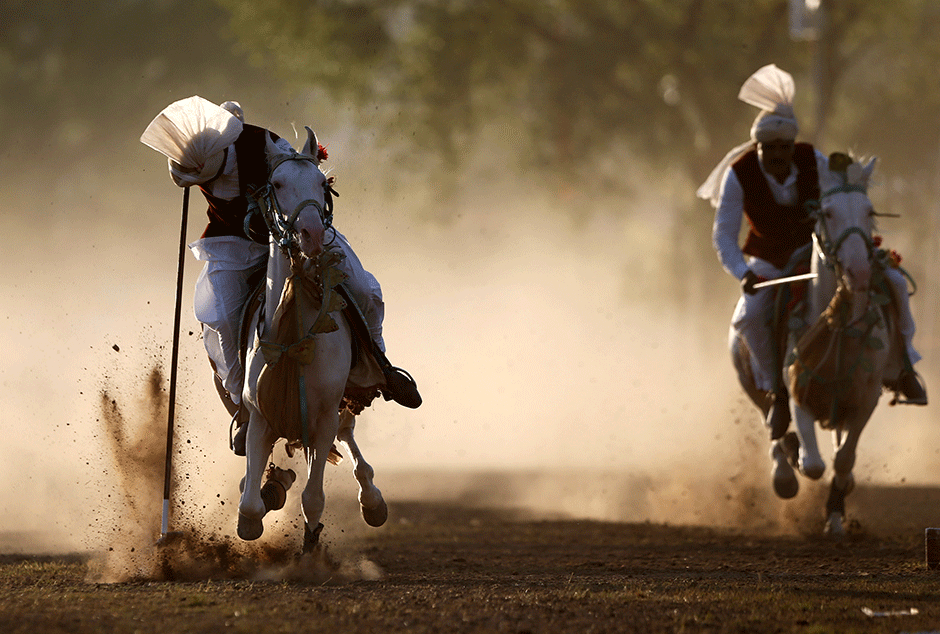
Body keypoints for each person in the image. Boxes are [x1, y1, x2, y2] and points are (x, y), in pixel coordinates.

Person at [142, 97, 421, 455]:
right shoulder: (190, 160)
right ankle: (243, 403)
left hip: (293, 232)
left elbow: (304, 174)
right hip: (229, 245)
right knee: (219, 316)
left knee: (362, 286)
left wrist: (307, 220)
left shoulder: (264, 144)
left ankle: (382, 367)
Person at [698, 65, 926, 440]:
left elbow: (842, 194)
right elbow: (723, 236)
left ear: (793, 145)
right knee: (750, 317)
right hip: (769, 263)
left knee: (896, 284)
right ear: (758, 147)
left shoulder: (813, 160)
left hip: (818, 254)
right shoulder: (738, 175)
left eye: (784, 147)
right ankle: (776, 392)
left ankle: (903, 368)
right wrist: (744, 273)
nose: (779, 155)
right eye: (770, 148)